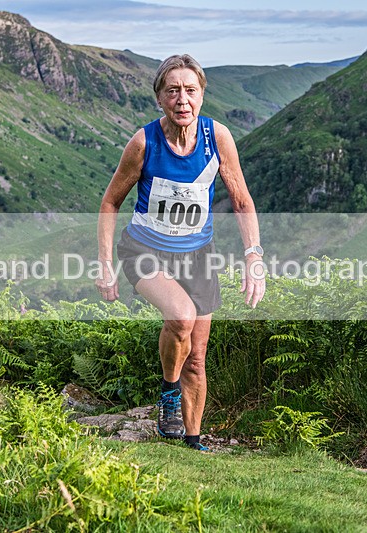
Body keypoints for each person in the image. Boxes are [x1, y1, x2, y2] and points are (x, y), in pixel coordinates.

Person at [96, 54, 265, 451]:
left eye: (191, 91)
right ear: (159, 98)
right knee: (182, 317)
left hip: (197, 253)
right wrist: (105, 265)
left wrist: (253, 256)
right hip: (144, 248)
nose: (182, 100)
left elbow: (241, 200)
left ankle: (192, 441)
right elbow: (109, 203)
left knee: (198, 356)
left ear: (202, 96)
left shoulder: (217, 138)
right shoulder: (144, 142)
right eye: (173, 91)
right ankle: (168, 392)